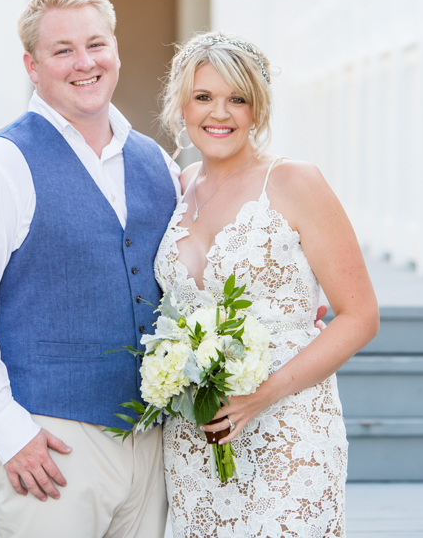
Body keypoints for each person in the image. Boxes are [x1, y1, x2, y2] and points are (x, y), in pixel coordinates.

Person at [0, 0, 181, 538]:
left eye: (96, 44)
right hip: (45, 443)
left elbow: (200, 260)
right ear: (32, 64)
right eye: (62, 50)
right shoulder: (0, 165)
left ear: (115, 49)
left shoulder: (158, 162)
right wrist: (8, 430)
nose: (84, 63)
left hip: (150, 445)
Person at [153, 32, 380, 537]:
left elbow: (360, 316)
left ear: (258, 109)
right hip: (197, 435)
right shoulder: (181, 186)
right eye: (204, 97)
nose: (221, 113)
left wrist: (260, 397)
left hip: (289, 425)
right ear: (182, 106)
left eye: (238, 98)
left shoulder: (296, 181)